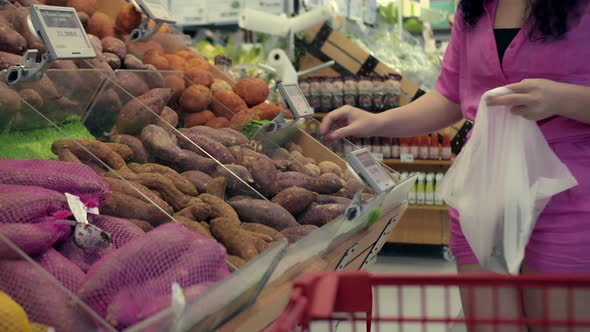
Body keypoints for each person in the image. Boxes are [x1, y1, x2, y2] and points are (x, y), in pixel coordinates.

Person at [320, 0, 590, 331]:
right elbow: (449, 98)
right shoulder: (473, 8)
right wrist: (375, 122)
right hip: (481, 194)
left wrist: (561, 99)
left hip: (569, 199)